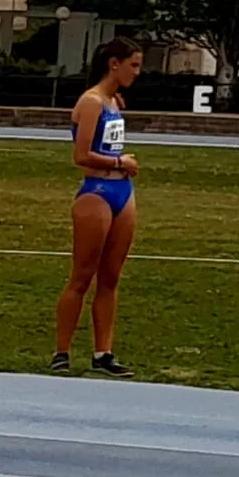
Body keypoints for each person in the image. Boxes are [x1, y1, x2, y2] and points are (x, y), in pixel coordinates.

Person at [50, 37, 143, 377]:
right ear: (113, 64)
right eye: (133, 64)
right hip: (97, 191)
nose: (137, 72)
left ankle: (103, 352)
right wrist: (120, 161)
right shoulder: (91, 102)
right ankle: (62, 351)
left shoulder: (114, 101)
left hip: (122, 190)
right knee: (82, 275)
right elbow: (80, 155)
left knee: (111, 277)